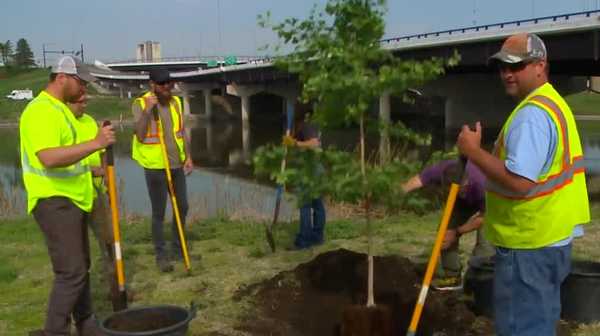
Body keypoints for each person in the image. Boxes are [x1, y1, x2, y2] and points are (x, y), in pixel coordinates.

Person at [457, 33, 589, 336]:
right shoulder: (552, 103)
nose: (507, 73)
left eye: (516, 67)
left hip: (527, 246)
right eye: (503, 67)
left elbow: (519, 182)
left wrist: (473, 151)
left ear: (540, 65)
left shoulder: (532, 115)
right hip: (549, 240)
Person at [20, 55, 115, 336]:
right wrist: (96, 143)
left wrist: (94, 165)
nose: (84, 89)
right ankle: (55, 331)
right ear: (61, 77)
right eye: (80, 82)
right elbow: (48, 158)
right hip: (53, 200)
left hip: (73, 199)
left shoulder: (61, 111)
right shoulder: (40, 111)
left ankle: (86, 323)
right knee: (70, 272)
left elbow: (72, 158)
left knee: (80, 267)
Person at [131, 68, 193, 272]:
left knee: (182, 207)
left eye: (169, 83)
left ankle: (178, 247)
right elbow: (140, 135)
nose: (167, 87)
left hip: (176, 165)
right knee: (159, 213)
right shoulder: (140, 104)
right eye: (162, 84)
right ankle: (161, 256)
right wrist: (148, 110)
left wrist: (189, 157)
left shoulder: (176, 102)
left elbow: (182, 132)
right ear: (152, 85)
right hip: (156, 167)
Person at [401, 158, 494, 290]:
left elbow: (483, 218)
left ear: (465, 184)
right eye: (449, 190)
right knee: (444, 233)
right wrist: (396, 194)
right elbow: (418, 180)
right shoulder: (442, 169)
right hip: (462, 202)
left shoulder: (481, 184)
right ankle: (452, 276)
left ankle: (480, 284)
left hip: (492, 207)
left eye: (459, 191)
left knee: (485, 246)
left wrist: (457, 232)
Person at [68, 93, 121, 310]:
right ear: (67, 101)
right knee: (78, 256)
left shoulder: (89, 122)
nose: (85, 104)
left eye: (86, 101)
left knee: (110, 242)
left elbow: (100, 152)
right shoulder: (63, 124)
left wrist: (106, 175)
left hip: (95, 194)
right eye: (80, 101)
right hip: (72, 197)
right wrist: (94, 170)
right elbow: (62, 161)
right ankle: (80, 303)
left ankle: (117, 289)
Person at [283, 104, 326, 249]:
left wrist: (294, 142)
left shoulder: (307, 125)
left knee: (305, 205)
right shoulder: (309, 125)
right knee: (317, 204)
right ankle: (317, 237)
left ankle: (304, 240)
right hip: (315, 168)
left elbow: (314, 144)